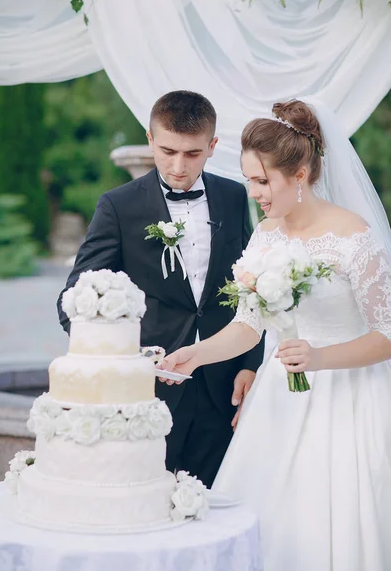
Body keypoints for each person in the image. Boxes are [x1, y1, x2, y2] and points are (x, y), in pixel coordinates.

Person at [162, 99, 391, 570]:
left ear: (301, 173)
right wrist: (196, 354)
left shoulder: (354, 237)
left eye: (263, 181)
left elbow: (387, 335)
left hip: (348, 402)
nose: (254, 193)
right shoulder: (266, 234)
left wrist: (320, 357)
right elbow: (249, 326)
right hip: (278, 402)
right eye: (250, 179)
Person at [57, 90, 265, 489]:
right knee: (142, 499)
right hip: (146, 390)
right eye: (168, 150)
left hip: (223, 384)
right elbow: (74, 302)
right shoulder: (118, 206)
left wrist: (250, 362)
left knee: (213, 501)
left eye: (192, 153)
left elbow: (249, 288)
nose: (178, 166)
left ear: (212, 146)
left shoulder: (234, 196)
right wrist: (125, 362)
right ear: (150, 140)